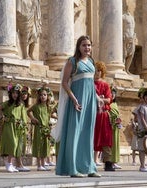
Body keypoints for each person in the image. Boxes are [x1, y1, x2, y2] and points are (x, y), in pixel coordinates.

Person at [55, 35, 102, 178]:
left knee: (88, 134)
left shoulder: (92, 61)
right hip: (77, 102)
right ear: (78, 47)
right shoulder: (72, 61)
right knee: (74, 133)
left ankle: (89, 167)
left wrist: (98, 98)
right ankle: (73, 168)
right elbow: (64, 82)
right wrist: (74, 100)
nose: (87, 48)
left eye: (89, 45)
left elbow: (90, 84)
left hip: (90, 102)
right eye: (84, 45)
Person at [0, 83, 28, 173]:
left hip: (18, 127)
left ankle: (12, 164)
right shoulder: (7, 104)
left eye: (16, 93)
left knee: (16, 145)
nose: (15, 95)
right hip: (9, 126)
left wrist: (24, 126)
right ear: (10, 94)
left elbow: (22, 116)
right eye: (13, 93)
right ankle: (8, 163)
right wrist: (2, 118)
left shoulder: (20, 105)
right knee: (12, 144)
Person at [94, 61, 114, 171]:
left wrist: (100, 99)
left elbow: (109, 99)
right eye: (95, 70)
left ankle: (108, 162)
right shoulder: (89, 83)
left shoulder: (105, 85)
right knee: (90, 137)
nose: (97, 72)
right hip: (92, 114)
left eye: (99, 70)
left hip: (103, 115)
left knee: (106, 137)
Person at [110, 86, 123, 169]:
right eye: (111, 93)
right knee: (111, 145)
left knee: (116, 144)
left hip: (116, 127)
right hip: (110, 126)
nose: (112, 95)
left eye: (114, 94)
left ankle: (115, 161)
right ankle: (110, 161)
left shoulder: (115, 104)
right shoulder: (108, 104)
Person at [122, 10, 136, 74]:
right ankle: (123, 69)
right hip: (126, 36)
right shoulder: (123, 16)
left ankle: (127, 69)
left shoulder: (132, 18)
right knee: (124, 54)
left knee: (131, 53)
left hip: (132, 36)